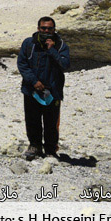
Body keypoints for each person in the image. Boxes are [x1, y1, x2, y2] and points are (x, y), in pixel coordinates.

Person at [17, 16, 70, 159]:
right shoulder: (29, 44)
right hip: (32, 90)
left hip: (53, 91)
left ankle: (51, 150)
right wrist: (34, 81)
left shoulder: (61, 46)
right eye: (43, 28)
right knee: (32, 119)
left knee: (51, 122)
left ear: (54, 29)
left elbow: (65, 65)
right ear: (38, 28)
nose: (46, 31)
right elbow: (22, 64)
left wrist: (52, 50)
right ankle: (35, 146)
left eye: (49, 28)